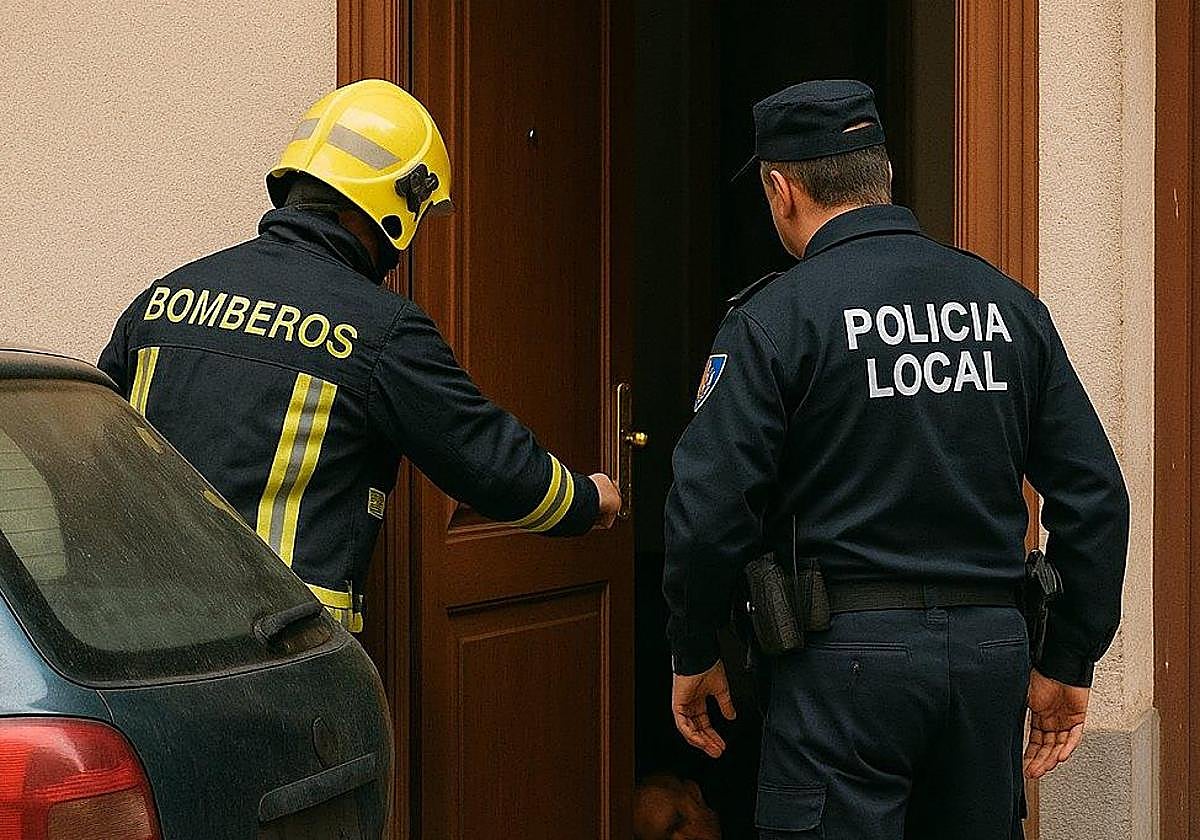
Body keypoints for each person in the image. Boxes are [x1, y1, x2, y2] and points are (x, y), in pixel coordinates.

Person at [662, 80, 1128, 839]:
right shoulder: (1007, 306)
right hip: (987, 658)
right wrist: (1068, 655)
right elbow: (1098, 498)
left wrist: (692, 646)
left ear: (781, 190)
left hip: (841, 666)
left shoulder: (776, 319)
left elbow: (710, 507)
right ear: (882, 174)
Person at [98, 79, 621, 630]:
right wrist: (587, 500)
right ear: (396, 206)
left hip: (138, 640)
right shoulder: (379, 329)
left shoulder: (163, 299)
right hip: (281, 652)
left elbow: (96, 454)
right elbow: (485, 459)